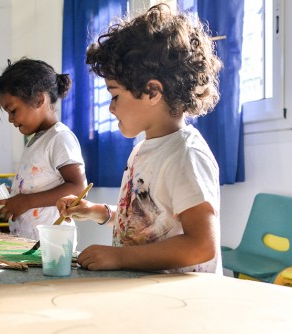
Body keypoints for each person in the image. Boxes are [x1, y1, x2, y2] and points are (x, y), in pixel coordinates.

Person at [57, 4, 222, 273]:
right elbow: (149, 220)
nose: (110, 108)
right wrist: (98, 211)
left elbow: (202, 245)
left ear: (152, 91)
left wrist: (119, 258)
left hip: (181, 304)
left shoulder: (186, 155)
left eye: (115, 95)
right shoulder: (145, 149)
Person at [0, 58, 87, 240]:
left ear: (39, 99)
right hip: (28, 243)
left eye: (13, 110)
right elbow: (34, 188)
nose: (10, 119)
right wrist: (3, 198)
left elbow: (78, 187)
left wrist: (27, 201)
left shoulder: (59, 137)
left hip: (51, 246)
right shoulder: (35, 141)